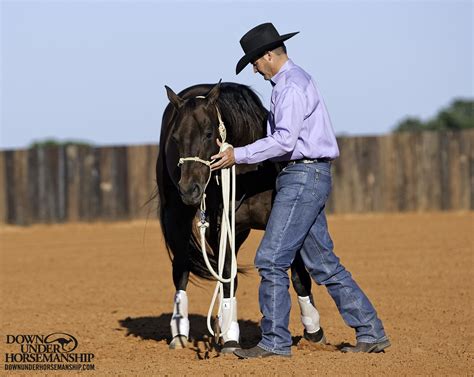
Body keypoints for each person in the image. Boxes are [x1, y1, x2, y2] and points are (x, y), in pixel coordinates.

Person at [211, 22, 390, 358]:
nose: (254, 68)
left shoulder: (289, 87)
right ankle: (371, 331)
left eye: (254, 61)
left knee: (270, 259)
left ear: (268, 56)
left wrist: (237, 155)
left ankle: (275, 342)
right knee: (323, 263)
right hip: (310, 176)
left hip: (301, 177)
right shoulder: (297, 80)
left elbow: (284, 141)